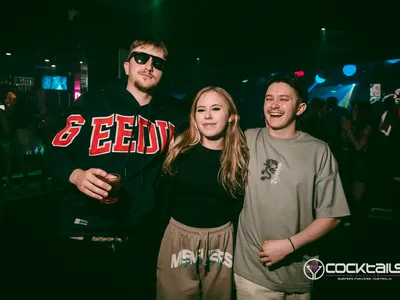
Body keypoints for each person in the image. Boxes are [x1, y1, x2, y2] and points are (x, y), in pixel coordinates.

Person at [47, 38, 187, 297]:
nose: (148, 66)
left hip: (139, 239)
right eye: (141, 58)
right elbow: (55, 150)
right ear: (127, 65)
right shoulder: (93, 104)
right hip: (85, 234)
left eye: (158, 62)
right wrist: (77, 176)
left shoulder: (174, 115)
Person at [234, 74, 350, 299]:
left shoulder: (318, 151)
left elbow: (333, 216)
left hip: (300, 275)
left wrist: (288, 246)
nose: (274, 105)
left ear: (300, 108)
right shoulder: (247, 140)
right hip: (253, 275)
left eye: (284, 99)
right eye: (269, 99)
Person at [156, 86, 249, 300]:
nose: (207, 116)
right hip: (178, 238)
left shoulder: (240, 157)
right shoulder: (179, 150)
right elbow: (164, 200)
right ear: (194, 116)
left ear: (231, 117)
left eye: (215, 109)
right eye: (201, 110)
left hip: (222, 240)